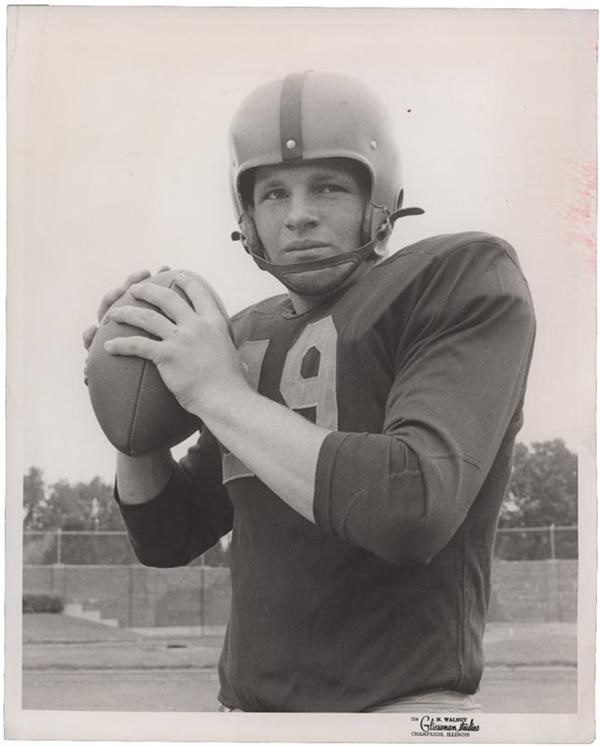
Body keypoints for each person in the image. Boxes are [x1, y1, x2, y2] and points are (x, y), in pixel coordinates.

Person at [83, 70, 536, 713]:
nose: (299, 215)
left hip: (399, 713)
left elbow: (413, 507)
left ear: (378, 201)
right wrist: (132, 412)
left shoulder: (459, 279)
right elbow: (168, 538)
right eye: (273, 194)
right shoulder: (245, 336)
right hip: (246, 715)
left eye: (327, 186)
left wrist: (218, 392)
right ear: (249, 219)